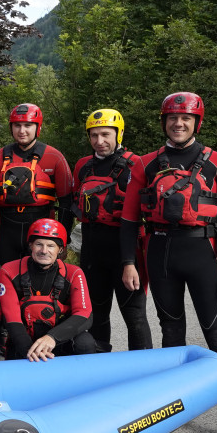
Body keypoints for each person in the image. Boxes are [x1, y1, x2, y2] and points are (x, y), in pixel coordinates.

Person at [120, 92, 217, 433]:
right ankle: (172, 410)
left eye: (186, 118)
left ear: (197, 122)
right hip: (160, 252)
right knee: (171, 336)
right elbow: (130, 218)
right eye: (172, 118)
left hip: (202, 253)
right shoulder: (146, 164)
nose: (178, 124)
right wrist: (129, 262)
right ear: (163, 121)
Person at [73, 108, 150, 352]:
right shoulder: (83, 166)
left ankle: (142, 371)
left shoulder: (136, 164)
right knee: (96, 314)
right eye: (94, 136)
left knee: (134, 315)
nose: (99, 141)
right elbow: (75, 206)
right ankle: (100, 365)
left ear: (119, 134)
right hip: (93, 249)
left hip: (126, 250)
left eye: (106, 134)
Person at [0, 103, 75, 266]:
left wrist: (62, 240)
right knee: (6, 278)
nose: (22, 131)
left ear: (37, 127)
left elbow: (66, 202)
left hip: (42, 232)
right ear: (11, 128)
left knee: (40, 282)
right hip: (6, 231)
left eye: (28, 125)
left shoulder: (54, 157)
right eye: (17, 125)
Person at [0, 219, 97, 361]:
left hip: (59, 339)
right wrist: (31, 352)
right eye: (39, 244)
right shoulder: (9, 270)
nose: (44, 251)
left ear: (61, 249)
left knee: (85, 342)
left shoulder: (74, 273)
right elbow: (11, 317)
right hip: (25, 341)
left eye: (51, 245)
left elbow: (85, 315)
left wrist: (52, 337)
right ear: (30, 245)